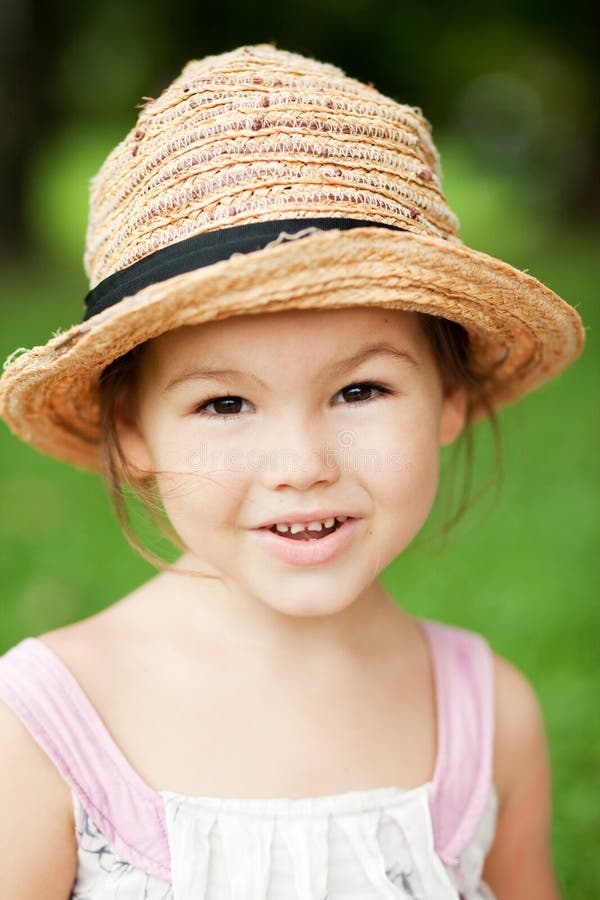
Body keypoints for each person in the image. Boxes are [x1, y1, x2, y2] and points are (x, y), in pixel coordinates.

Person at [0, 43, 585, 900]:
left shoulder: (491, 714)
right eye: (225, 405)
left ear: (450, 397)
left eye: (360, 389)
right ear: (132, 431)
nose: (303, 466)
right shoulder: (43, 728)